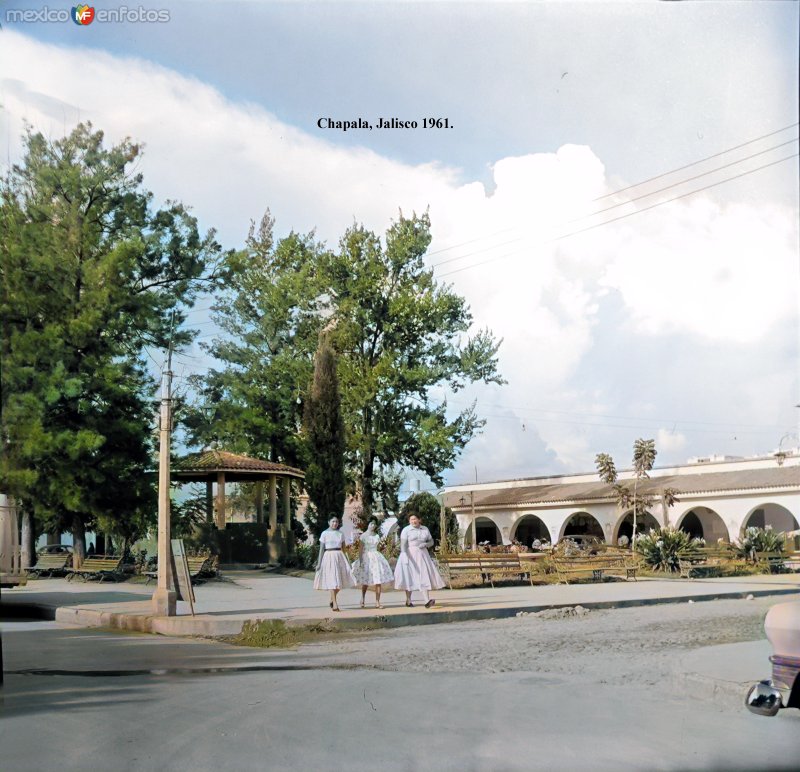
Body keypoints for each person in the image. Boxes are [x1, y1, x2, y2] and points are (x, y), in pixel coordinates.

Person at [394, 513, 444, 608]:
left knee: (423, 575)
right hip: (410, 555)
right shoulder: (406, 530)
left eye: (415, 519)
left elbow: (431, 541)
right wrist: (404, 555)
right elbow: (403, 544)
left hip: (422, 554)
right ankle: (408, 600)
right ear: (409, 521)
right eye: (411, 519)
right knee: (410, 577)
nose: (413, 521)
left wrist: (426, 544)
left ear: (419, 520)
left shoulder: (425, 529)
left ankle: (426, 600)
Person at [350, 519, 394, 608]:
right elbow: (361, 550)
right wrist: (361, 561)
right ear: (368, 524)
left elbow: (378, 547)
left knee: (378, 580)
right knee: (366, 580)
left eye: (374, 524)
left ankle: (377, 602)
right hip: (367, 558)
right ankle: (362, 598)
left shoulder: (377, 536)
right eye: (371, 523)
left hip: (376, 557)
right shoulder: (363, 536)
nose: (373, 525)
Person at [313, 516, 354, 611]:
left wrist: (348, 561)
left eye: (336, 521)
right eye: (333, 521)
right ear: (329, 522)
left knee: (340, 582)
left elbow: (344, 549)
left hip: (339, 557)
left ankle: (332, 598)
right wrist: (319, 563)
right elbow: (321, 550)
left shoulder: (340, 533)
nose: (335, 523)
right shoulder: (324, 533)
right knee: (332, 581)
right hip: (329, 557)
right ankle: (335, 604)